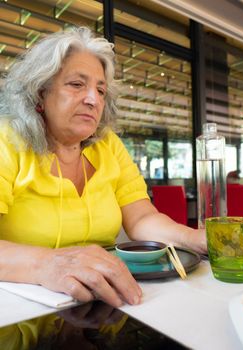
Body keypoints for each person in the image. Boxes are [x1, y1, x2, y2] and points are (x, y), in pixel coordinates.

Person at [0, 26, 206, 308]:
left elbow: (141, 218)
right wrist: (48, 264)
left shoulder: (107, 145)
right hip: (19, 310)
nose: (93, 99)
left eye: (100, 89)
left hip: (102, 301)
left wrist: (195, 238)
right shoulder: (6, 140)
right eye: (76, 84)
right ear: (39, 92)